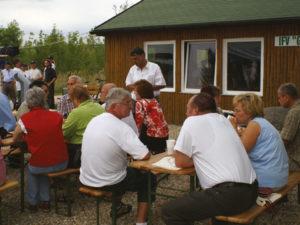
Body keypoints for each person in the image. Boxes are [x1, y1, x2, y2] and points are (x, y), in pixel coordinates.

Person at [161, 93, 257, 225]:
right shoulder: (223, 120)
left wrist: (198, 159)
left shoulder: (192, 121)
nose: (186, 113)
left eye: (187, 108)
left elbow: (180, 161)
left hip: (229, 195)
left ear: (195, 110)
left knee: (170, 211)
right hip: (251, 190)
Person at [80, 88, 155, 224]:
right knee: (148, 178)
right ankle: (141, 221)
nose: (131, 106)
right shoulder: (120, 127)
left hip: (87, 178)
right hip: (109, 182)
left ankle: (118, 206)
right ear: (114, 107)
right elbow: (144, 155)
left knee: (121, 169)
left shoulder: (94, 121)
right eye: (127, 103)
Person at [12, 87, 68, 212]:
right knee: (41, 168)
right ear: (44, 100)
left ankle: (33, 202)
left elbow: (15, 138)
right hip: (62, 162)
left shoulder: (25, 119)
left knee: (34, 169)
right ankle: (45, 201)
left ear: (28, 102)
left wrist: (26, 136)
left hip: (41, 164)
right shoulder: (57, 116)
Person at [231, 93, 288, 194]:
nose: (234, 114)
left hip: (268, 182)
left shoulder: (254, 124)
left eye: (237, 110)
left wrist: (233, 128)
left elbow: (239, 152)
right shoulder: (261, 122)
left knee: (229, 179)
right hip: (279, 177)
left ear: (249, 111)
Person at [63, 85, 104, 168]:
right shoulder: (99, 107)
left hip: (79, 151)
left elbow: (64, 134)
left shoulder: (76, 112)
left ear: (75, 98)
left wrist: (64, 123)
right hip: (98, 148)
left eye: (71, 100)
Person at [134, 79, 169, 154]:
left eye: (135, 91)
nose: (134, 92)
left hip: (152, 136)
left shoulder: (140, 103)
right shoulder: (154, 101)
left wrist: (135, 137)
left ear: (141, 92)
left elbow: (138, 123)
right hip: (164, 135)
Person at [278, 83, 300, 170]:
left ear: (286, 97)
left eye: (279, 97)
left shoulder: (294, 112)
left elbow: (284, 140)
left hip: (295, 160)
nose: (278, 100)